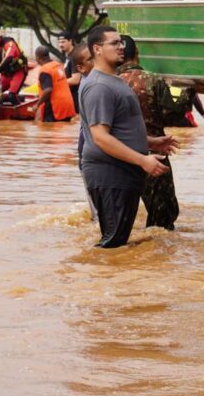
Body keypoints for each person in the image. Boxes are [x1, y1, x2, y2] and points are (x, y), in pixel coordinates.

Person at [78, 25, 175, 248]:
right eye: (114, 43)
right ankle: (96, 280)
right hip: (111, 174)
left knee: (118, 242)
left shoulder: (115, 80)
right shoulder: (99, 86)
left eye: (120, 42)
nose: (121, 47)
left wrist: (151, 142)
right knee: (112, 245)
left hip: (122, 173)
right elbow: (101, 137)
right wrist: (143, 160)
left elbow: (118, 129)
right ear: (98, 49)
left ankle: (111, 281)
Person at [117, 34, 191, 230]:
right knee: (162, 219)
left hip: (118, 155)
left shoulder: (110, 83)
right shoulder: (153, 81)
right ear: (137, 53)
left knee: (121, 220)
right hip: (154, 153)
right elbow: (172, 117)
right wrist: (186, 93)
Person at [72, 42, 98, 221]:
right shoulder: (91, 86)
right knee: (99, 213)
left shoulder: (93, 82)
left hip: (90, 153)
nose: (96, 62)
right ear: (81, 67)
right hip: (90, 156)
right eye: (91, 60)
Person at [34, 45, 76, 123]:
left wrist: (37, 104)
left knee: (49, 131)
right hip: (67, 104)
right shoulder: (58, 65)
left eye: (36, 57)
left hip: (55, 107)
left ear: (39, 57)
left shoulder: (45, 70)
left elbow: (48, 90)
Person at [56, 30, 83, 114]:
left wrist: (57, 83)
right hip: (70, 94)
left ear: (70, 41)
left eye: (63, 42)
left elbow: (76, 79)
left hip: (76, 95)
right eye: (59, 42)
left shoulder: (74, 56)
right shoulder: (68, 55)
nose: (61, 45)